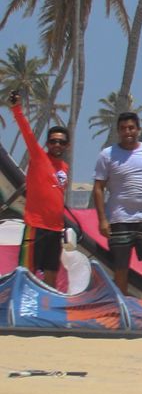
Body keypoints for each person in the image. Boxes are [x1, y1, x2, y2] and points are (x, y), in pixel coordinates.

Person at [92, 110, 142, 303]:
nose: (128, 132)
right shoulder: (107, 155)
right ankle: (122, 312)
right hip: (119, 220)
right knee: (121, 269)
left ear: (138, 129)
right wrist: (102, 219)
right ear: (118, 131)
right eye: (123, 128)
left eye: (131, 128)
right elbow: (99, 188)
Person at [7, 91, 70, 282]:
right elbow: (27, 132)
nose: (56, 144)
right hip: (36, 225)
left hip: (55, 228)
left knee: (51, 270)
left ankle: (47, 306)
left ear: (66, 145)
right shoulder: (39, 157)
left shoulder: (65, 167)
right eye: (53, 141)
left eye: (61, 142)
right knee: (28, 270)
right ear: (47, 143)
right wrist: (16, 108)